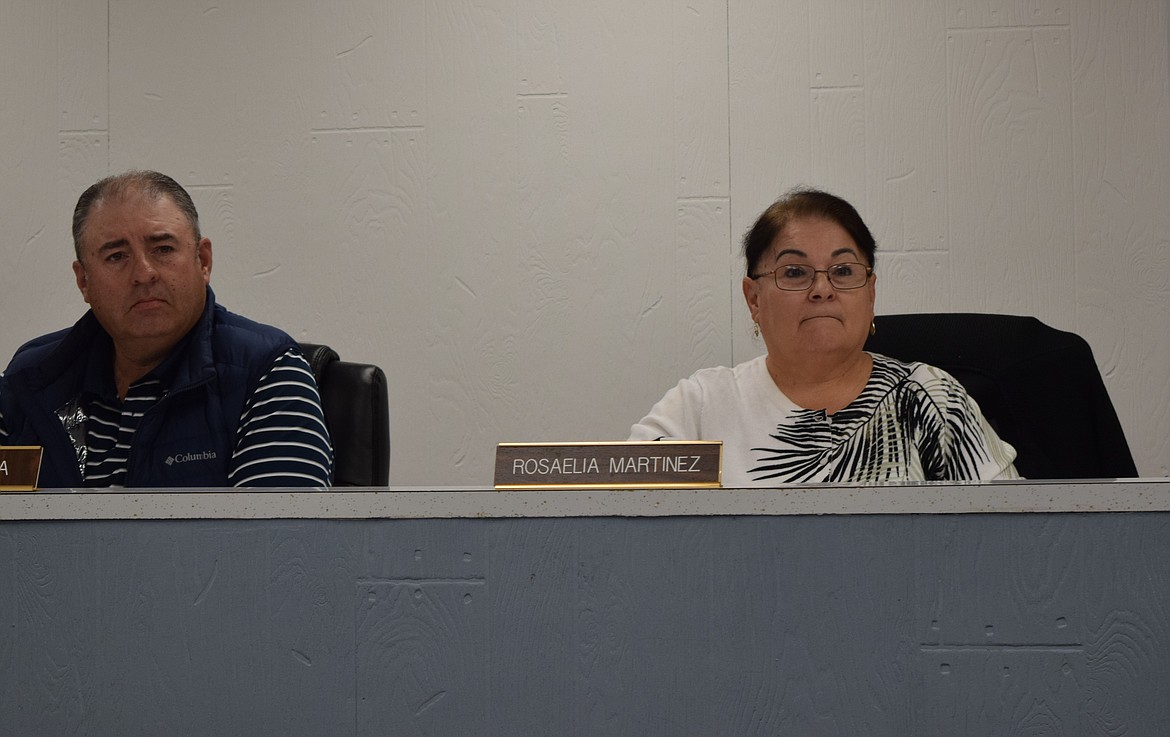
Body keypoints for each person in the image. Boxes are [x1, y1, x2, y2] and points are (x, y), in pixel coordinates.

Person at [630, 187, 1019, 486]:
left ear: (871, 292)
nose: (822, 289)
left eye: (844, 271)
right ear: (754, 299)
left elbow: (1013, 545)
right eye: (795, 272)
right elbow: (624, 523)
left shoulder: (931, 398)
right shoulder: (700, 406)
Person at [0, 170, 334, 488]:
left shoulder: (266, 372)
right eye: (116, 256)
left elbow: (278, 541)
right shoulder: (31, 379)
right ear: (84, 281)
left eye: (163, 249)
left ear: (203, 261)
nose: (144, 274)